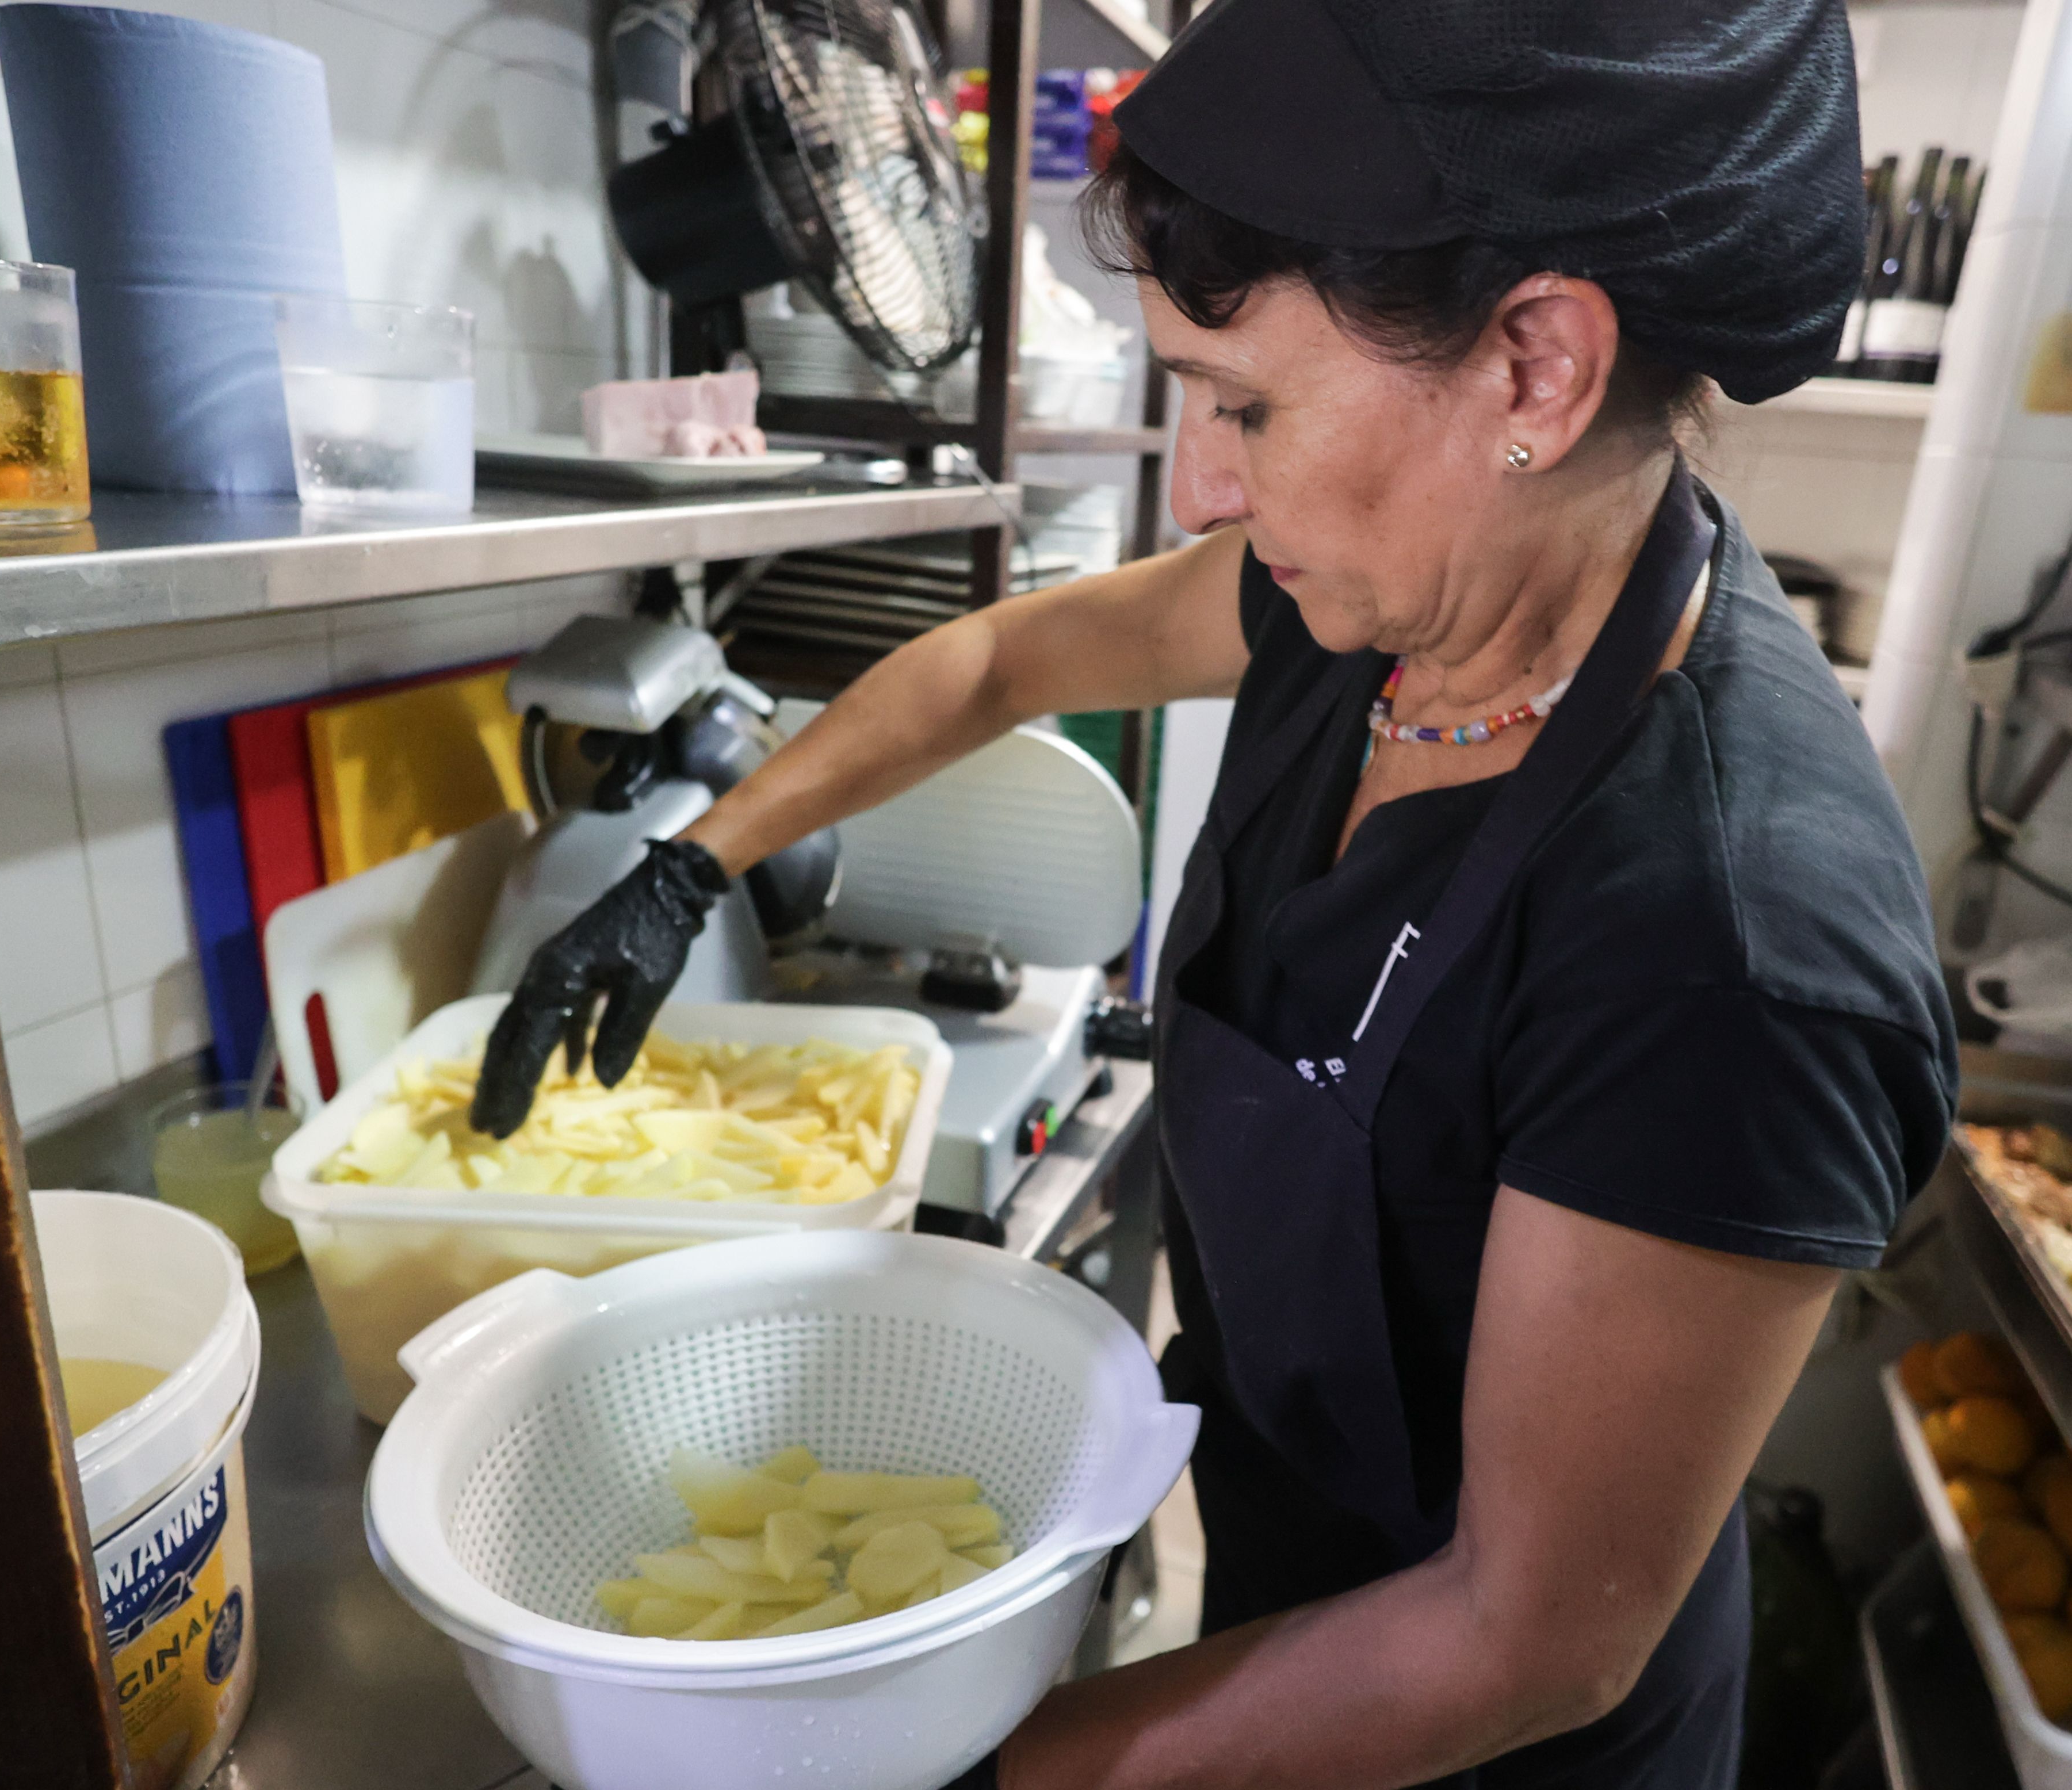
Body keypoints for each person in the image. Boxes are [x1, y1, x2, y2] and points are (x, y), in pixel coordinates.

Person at [469, 0, 1957, 1781]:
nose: (1203, 484)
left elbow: (1522, 1636)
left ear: (1537, 372)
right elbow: (994, 668)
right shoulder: (1376, 600)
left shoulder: (1734, 951)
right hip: (1270, 1610)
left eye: (1245, 403)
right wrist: (686, 861)